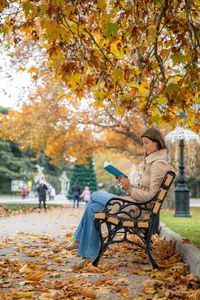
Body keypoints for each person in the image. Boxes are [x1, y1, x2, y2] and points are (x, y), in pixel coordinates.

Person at [66, 127, 169, 268]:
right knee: (92, 208)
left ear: (157, 143)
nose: (144, 146)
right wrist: (127, 184)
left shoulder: (159, 164)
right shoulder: (151, 162)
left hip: (139, 209)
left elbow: (151, 196)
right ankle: (89, 256)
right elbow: (144, 190)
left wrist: (130, 188)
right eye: (143, 143)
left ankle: (78, 239)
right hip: (134, 205)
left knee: (94, 195)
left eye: (147, 143)